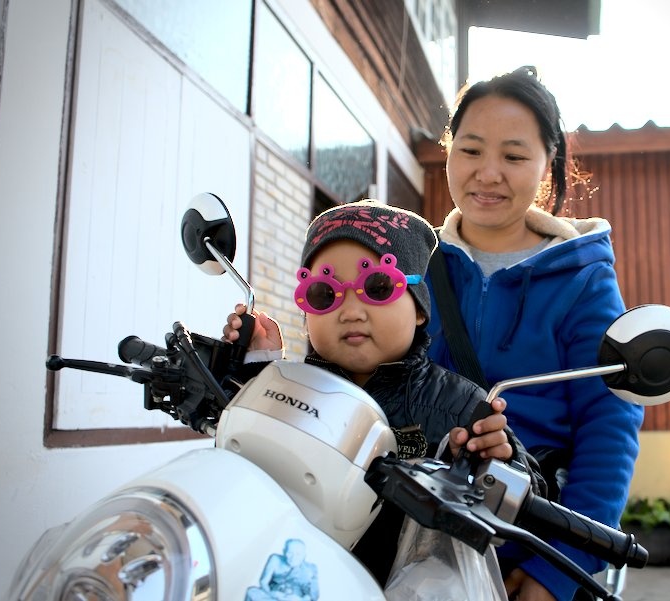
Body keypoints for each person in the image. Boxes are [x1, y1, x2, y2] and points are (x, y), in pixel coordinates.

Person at [223, 199, 537, 585]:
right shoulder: (292, 390)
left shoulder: (461, 406)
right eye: (324, 293)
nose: (351, 311)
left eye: (377, 286)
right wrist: (257, 365)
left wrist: (498, 462)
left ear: (420, 309)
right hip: (299, 582)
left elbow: (528, 499)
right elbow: (244, 453)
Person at [426, 65, 645, 601]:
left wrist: (560, 570)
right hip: (408, 531)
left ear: (548, 164)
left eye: (515, 156)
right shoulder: (412, 262)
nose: (489, 172)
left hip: (528, 548)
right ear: (449, 150)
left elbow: (608, 423)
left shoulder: (583, 277)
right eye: (471, 150)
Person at [245, 538, 319, 601]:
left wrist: (299, 599)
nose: (293, 558)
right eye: (290, 553)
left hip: (294, 598)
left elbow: (313, 595)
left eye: (298, 554)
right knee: (252, 591)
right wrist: (273, 594)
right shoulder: (275, 559)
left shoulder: (309, 569)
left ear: (304, 556)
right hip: (273, 596)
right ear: (284, 552)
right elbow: (263, 582)